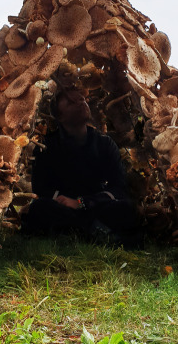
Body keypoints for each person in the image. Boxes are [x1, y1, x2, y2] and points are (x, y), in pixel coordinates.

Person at [21, 88, 141, 245]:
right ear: (60, 116)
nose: (81, 103)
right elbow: (40, 188)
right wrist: (66, 201)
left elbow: (119, 187)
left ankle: (78, 231)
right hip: (63, 206)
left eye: (81, 99)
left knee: (128, 207)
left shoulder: (104, 144)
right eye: (71, 103)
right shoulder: (46, 146)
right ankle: (95, 231)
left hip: (95, 204)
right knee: (39, 208)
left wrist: (81, 203)